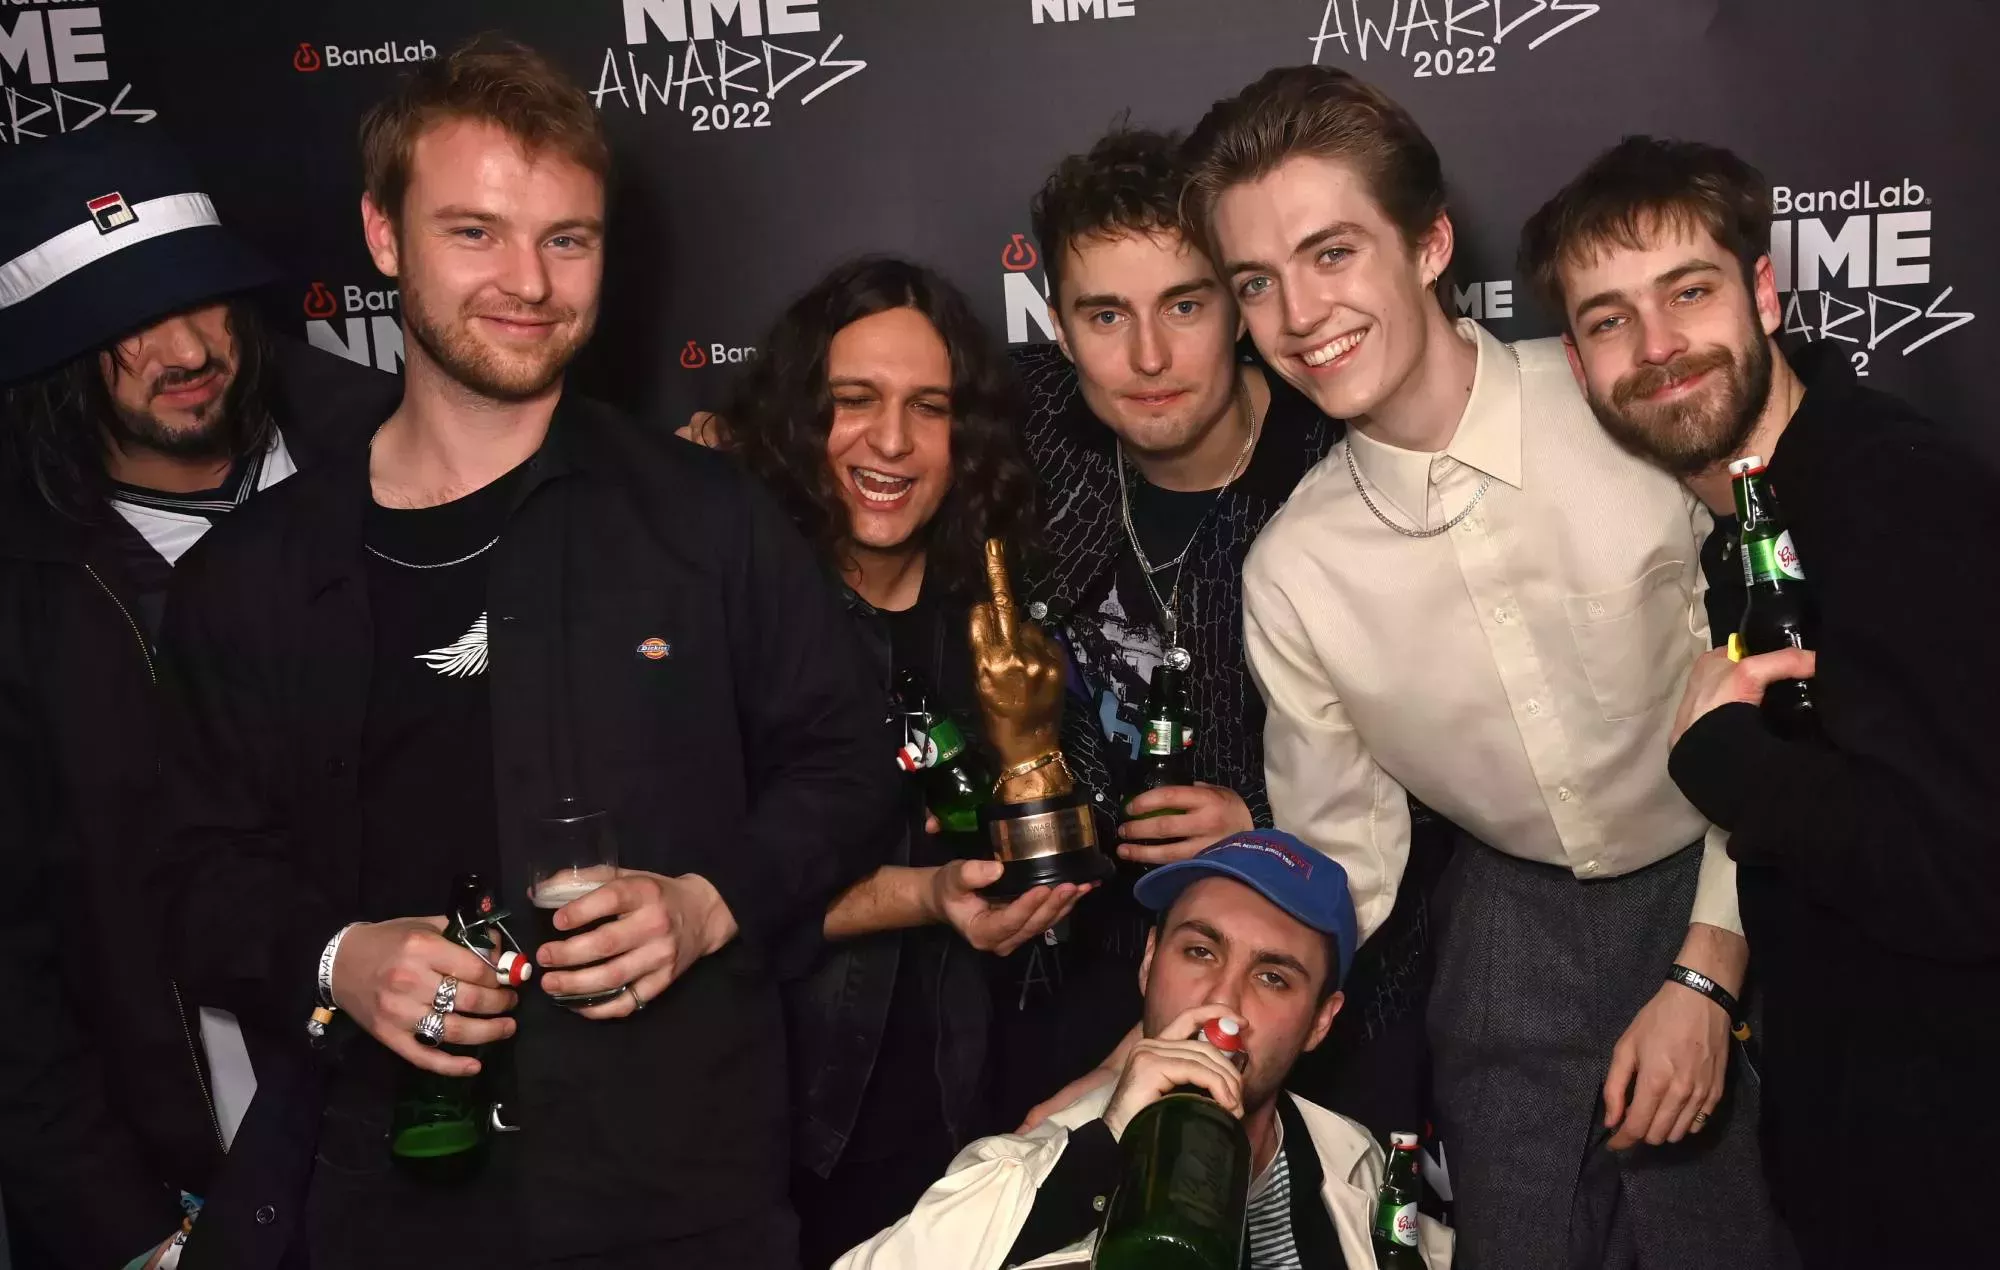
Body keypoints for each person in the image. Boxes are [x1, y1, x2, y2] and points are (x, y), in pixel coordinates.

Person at [152, 39, 895, 1269]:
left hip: (676, 1197)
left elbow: (850, 764)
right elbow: (187, 875)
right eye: (475, 232)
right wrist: (343, 960)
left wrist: (711, 903)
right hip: (376, 1202)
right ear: (383, 238)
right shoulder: (255, 575)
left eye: (566, 239)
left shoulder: (705, 518)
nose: (529, 282)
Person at [1189, 67, 1787, 1265]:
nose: (1299, 313)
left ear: (1426, 244)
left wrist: (1710, 973)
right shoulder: (1293, 571)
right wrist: (1184, 1035)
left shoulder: (1627, 402)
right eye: (1256, 282)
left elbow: (1781, 695)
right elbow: (1341, 864)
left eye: (1332, 253)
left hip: (1742, 882)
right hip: (1508, 936)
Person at [1521, 135, 2000, 1266]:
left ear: (1761, 292)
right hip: (1868, 1163)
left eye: (1686, 292)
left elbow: (1969, 879)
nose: (1656, 348)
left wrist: (1725, 760)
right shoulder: (1760, 521)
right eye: (1606, 320)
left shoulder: (1891, 496)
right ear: (1579, 367)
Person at [1001, 127, 1450, 1141]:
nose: (1147, 357)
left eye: (1186, 305)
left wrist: (1257, 821)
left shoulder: (1341, 471)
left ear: (1241, 308)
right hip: (1084, 954)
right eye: (1104, 314)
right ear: (1058, 326)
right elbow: (851, 418)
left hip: (1324, 981)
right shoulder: (1029, 427)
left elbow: (1464, 766)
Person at [0, 127, 396, 1269]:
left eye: (203, 300)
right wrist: (125, 1230)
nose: (184, 347)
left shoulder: (392, 453)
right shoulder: (22, 596)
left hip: (447, 1149)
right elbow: (11, 972)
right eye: (127, 321)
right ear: (52, 351)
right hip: (192, 1194)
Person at [717, 256, 1091, 1267]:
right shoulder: (733, 615)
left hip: (968, 1121)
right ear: (799, 416)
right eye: (854, 401)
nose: (889, 440)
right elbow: (706, 897)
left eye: (927, 408)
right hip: (780, 1127)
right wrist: (924, 896)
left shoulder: (999, 618)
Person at [833, 829, 1449, 1269]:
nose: (1223, 1005)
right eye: (1200, 952)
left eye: (1273, 978)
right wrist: (1100, 1158)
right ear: (1150, 963)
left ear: (1320, 1022)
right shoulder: (1026, 1171)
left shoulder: (1356, 1161)